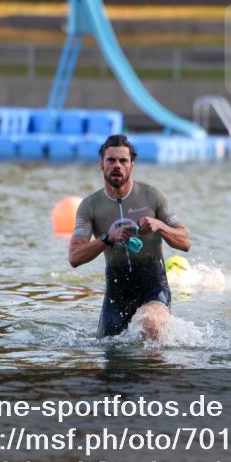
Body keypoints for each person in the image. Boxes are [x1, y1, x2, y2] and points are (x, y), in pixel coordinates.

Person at [68, 134, 191, 340]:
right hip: (116, 293)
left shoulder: (153, 195)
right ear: (101, 164)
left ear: (131, 165)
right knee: (110, 351)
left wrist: (160, 226)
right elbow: (74, 257)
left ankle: (153, 370)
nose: (117, 165)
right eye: (111, 160)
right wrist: (108, 238)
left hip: (153, 287)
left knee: (150, 325)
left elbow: (185, 241)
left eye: (123, 160)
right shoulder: (90, 206)